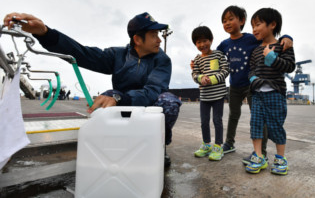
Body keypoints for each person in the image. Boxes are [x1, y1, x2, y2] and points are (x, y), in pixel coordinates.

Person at [3, 12, 182, 167]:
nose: (159, 39)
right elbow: (82, 53)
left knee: (169, 101)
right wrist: (45, 33)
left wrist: (121, 99)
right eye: (153, 34)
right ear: (137, 39)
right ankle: (114, 143)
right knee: (106, 97)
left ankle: (159, 147)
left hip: (146, 104)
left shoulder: (162, 60)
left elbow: (153, 90)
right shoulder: (117, 55)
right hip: (121, 100)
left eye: (158, 34)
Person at [215, 6, 293, 164]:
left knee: (259, 119)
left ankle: (261, 153)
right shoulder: (224, 44)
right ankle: (229, 143)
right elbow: (214, 57)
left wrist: (287, 36)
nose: (227, 23)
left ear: (241, 20)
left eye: (231, 19)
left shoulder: (252, 38)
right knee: (233, 115)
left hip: (253, 87)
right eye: (224, 21)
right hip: (236, 85)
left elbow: (272, 38)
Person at [245, 8, 295, 175]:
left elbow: (290, 66)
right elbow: (251, 69)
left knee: (275, 126)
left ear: (272, 25)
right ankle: (259, 157)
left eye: (258, 24)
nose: (254, 29)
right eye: (252, 26)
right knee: (256, 125)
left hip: (275, 93)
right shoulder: (255, 50)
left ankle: (281, 158)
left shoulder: (283, 46)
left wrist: (273, 59)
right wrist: (252, 80)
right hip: (257, 94)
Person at [191, 26, 229, 161]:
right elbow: (194, 74)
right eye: (198, 42)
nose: (202, 45)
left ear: (211, 40)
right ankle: (206, 145)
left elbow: (225, 70)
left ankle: (218, 146)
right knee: (204, 121)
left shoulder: (218, 55)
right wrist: (201, 78)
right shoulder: (197, 59)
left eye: (204, 40)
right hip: (204, 96)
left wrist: (212, 79)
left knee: (217, 120)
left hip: (218, 95)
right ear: (195, 44)